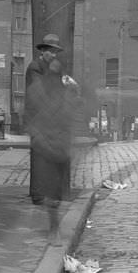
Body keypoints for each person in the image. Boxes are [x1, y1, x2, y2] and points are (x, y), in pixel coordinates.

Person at [24, 33, 83, 226]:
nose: (53, 55)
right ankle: (38, 195)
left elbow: (59, 89)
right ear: (42, 51)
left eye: (55, 52)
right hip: (38, 119)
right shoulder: (35, 67)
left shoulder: (54, 69)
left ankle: (52, 194)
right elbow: (39, 92)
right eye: (49, 51)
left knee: (51, 156)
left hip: (52, 120)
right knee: (39, 157)